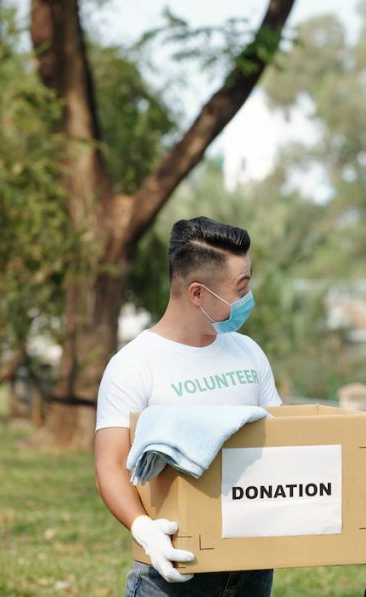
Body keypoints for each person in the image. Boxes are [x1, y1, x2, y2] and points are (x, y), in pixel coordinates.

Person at [94, 217, 282, 596]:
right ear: (198, 293)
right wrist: (144, 529)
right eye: (240, 288)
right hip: (172, 576)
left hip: (252, 571)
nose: (248, 300)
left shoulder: (249, 353)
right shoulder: (134, 364)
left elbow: (280, 440)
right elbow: (109, 464)